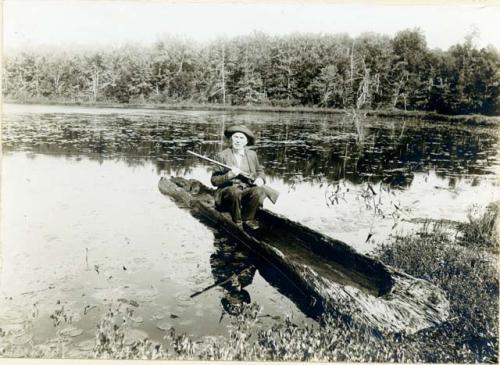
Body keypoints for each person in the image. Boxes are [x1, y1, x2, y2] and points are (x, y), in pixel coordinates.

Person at [211, 125, 267, 230]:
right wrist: (229, 175)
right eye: (235, 137)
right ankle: (237, 222)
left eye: (241, 138)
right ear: (231, 139)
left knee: (259, 190)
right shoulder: (222, 156)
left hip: (245, 189)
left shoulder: (251, 154)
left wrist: (260, 179)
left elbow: (260, 171)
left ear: (246, 142)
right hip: (227, 192)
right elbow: (214, 181)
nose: (238, 141)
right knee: (234, 191)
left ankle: (248, 219)